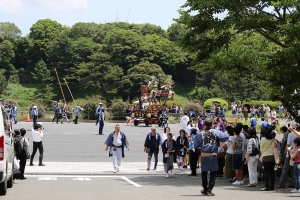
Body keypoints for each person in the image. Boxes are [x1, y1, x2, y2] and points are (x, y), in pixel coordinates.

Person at [193, 119, 229, 196]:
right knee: (213, 173)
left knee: (204, 173)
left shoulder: (200, 134)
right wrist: (218, 140)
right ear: (212, 124)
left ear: (204, 125)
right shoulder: (216, 132)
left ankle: (205, 189)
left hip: (204, 155)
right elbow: (226, 136)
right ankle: (209, 189)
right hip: (213, 155)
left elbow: (195, 145)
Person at [260, 126, 276, 191]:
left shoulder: (263, 139)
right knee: (272, 172)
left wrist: (263, 153)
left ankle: (267, 186)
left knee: (266, 173)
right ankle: (272, 186)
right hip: (272, 157)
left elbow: (261, 148)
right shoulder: (274, 139)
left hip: (266, 157)